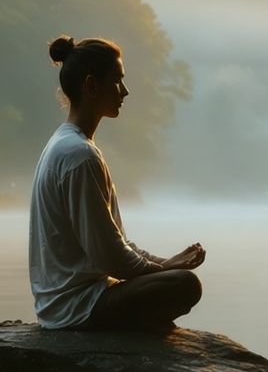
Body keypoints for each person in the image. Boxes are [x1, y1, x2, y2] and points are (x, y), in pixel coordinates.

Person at [28, 35, 204, 330]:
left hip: (72, 303)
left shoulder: (69, 144)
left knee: (175, 279)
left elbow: (113, 242)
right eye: (117, 81)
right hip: (76, 308)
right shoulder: (79, 155)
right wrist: (167, 268)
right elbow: (110, 256)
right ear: (91, 86)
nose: (125, 91)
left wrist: (164, 262)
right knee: (186, 285)